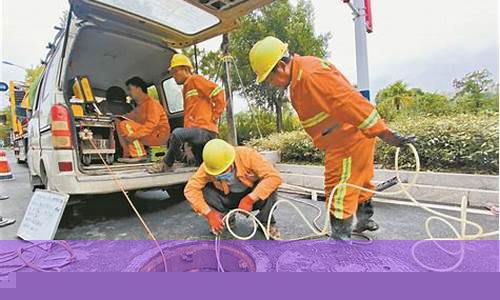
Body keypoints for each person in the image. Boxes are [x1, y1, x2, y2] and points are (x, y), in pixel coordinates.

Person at [249, 36, 416, 240]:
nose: (271, 83)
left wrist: (383, 132)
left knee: (339, 190)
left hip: (347, 140)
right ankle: (364, 220)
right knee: (359, 181)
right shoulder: (300, 77)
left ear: (281, 66)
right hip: (343, 139)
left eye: (269, 78)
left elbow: (349, 101)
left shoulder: (311, 74)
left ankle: (340, 241)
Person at [184, 139, 282, 239]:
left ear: (231, 160)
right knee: (205, 191)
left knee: (270, 189)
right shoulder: (208, 167)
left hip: (252, 195)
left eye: (224, 170)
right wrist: (209, 214)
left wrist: (250, 199)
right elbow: (190, 189)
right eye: (218, 173)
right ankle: (226, 219)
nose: (221, 175)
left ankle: (266, 222)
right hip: (228, 197)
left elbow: (274, 177)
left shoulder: (247, 155)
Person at [147, 54, 226, 173]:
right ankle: (183, 159)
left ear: (186, 69)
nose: (173, 76)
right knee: (197, 166)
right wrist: (187, 146)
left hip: (205, 131)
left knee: (177, 134)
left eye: (175, 72)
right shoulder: (186, 87)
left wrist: (214, 117)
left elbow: (219, 92)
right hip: (196, 133)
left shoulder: (195, 79)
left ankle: (166, 163)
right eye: (172, 73)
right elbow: (189, 116)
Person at [115, 77, 170, 163]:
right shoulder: (140, 107)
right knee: (119, 122)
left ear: (138, 89)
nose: (128, 93)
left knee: (125, 125)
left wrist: (134, 136)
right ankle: (127, 153)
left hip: (158, 135)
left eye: (130, 90)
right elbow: (127, 117)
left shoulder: (152, 103)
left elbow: (151, 125)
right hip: (149, 134)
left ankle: (139, 155)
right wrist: (116, 118)